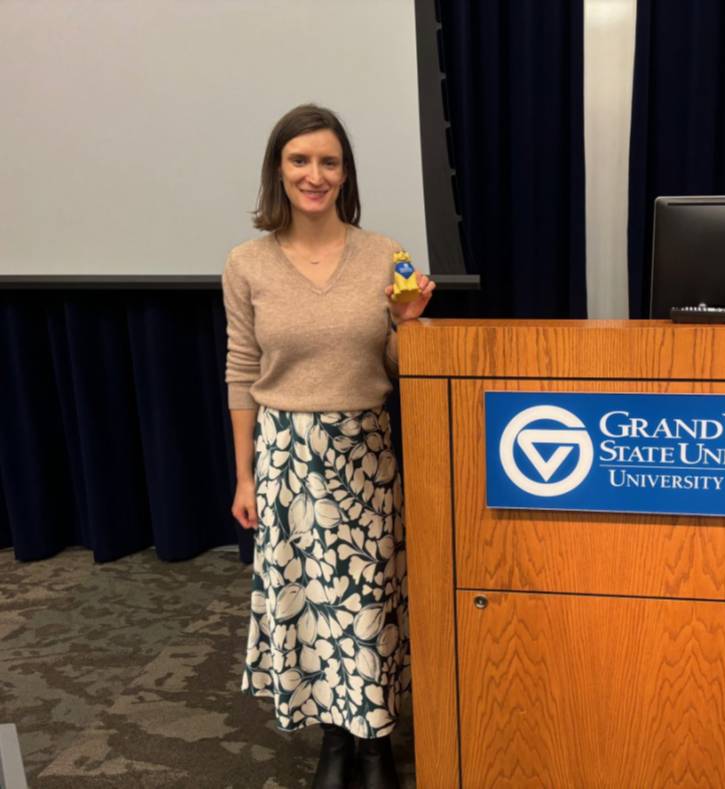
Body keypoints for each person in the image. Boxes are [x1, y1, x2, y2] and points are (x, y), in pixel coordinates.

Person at [222, 103, 434, 789]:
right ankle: (334, 742)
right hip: (285, 458)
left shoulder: (385, 254)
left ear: (345, 174)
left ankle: (375, 744)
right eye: (300, 160)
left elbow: (402, 368)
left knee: (367, 602)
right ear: (278, 169)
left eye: (328, 162)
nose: (314, 175)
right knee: (310, 603)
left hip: (363, 453)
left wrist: (408, 323)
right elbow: (241, 371)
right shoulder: (246, 263)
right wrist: (244, 476)